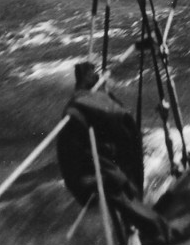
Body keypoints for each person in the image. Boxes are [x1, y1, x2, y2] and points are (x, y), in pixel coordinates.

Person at [56, 62, 169, 244]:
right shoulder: (86, 105)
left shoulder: (83, 104)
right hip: (98, 174)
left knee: (120, 189)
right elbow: (123, 121)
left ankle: (136, 227)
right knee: (121, 190)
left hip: (96, 172)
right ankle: (142, 227)